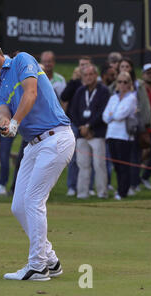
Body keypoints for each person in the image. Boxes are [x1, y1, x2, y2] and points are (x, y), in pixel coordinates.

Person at [0, 38, 74, 281]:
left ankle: (37, 266)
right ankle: (51, 260)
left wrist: (15, 122)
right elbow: (2, 109)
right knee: (18, 206)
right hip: (34, 145)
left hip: (56, 138)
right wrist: (6, 122)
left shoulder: (22, 60)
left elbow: (31, 92)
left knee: (34, 200)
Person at [71, 65, 110, 199]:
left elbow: (102, 111)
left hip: (97, 133)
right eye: (85, 75)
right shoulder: (80, 91)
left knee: (99, 165)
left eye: (91, 74)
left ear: (96, 75)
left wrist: (89, 126)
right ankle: (82, 193)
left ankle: (102, 193)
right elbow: (73, 111)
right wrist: (81, 126)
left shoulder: (103, 91)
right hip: (82, 134)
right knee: (83, 164)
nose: (88, 77)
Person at [60, 56, 93, 196]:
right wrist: (74, 81)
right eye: (81, 65)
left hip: (91, 125)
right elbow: (64, 96)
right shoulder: (75, 83)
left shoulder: (94, 84)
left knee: (90, 157)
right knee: (73, 158)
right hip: (74, 123)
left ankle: (89, 187)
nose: (83, 68)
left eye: (85, 65)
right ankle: (72, 186)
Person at [119, 58, 151, 195]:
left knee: (134, 156)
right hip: (119, 127)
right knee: (120, 158)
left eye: (127, 66)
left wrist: (146, 124)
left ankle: (134, 183)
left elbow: (144, 104)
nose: (125, 68)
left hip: (134, 126)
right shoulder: (116, 83)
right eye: (122, 66)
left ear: (132, 68)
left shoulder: (138, 85)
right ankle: (124, 186)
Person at [102, 71, 137, 200]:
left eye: (125, 82)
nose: (122, 84)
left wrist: (113, 115)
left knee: (123, 165)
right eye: (120, 82)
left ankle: (123, 191)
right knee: (116, 165)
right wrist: (113, 115)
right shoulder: (113, 98)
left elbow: (120, 114)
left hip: (124, 136)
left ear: (129, 84)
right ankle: (120, 189)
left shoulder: (132, 98)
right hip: (111, 134)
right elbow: (105, 116)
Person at [140, 63, 151, 190]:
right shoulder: (140, 89)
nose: (150, 75)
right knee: (144, 153)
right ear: (143, 74)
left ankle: (143, 177)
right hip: (143, 126)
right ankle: (140, 178)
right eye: (148, 73)